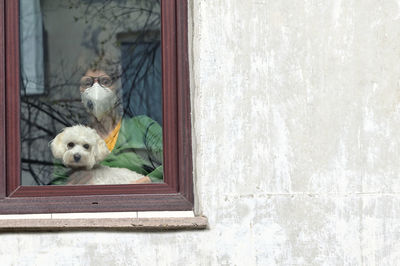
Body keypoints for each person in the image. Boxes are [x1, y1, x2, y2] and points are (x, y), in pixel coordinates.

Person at [51, 57, 163, 185]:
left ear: (117, 87)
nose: (96, 88)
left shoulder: (142, 127)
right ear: (79, 91)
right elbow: (56, 189)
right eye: (88, 83)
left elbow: (175, 164)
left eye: (105, 81)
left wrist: (143, 183)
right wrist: (72, 186)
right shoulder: (69, 140)